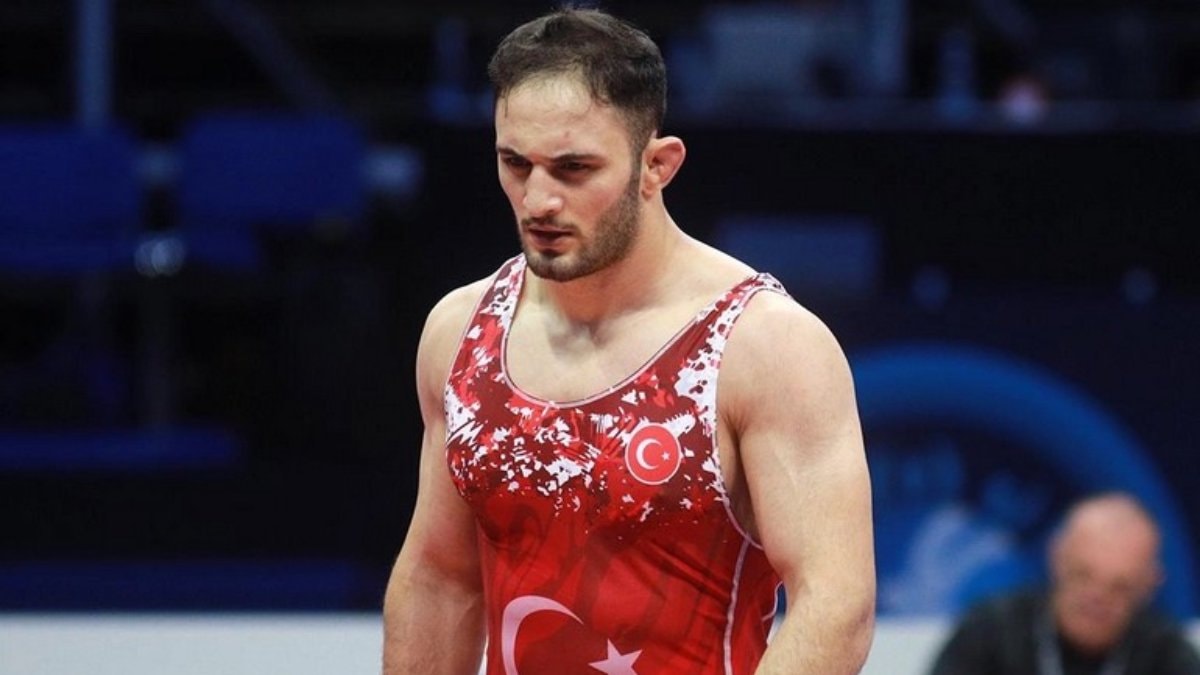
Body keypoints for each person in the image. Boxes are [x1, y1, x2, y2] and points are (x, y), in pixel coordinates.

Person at [382, 6, 875, 673]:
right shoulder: (460, 333)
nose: (538, 200)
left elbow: (835, 605)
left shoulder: (766, 348)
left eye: (573, 168)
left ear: (657, 165)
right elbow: (440, 579)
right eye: (515, 163)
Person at [929, 492, 1200, 675]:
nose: (1097, 597)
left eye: (1119, 587)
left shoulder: (1167, 657)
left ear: (1149, 585)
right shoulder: (989, 634)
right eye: (1083, 576)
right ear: (1056, 556)